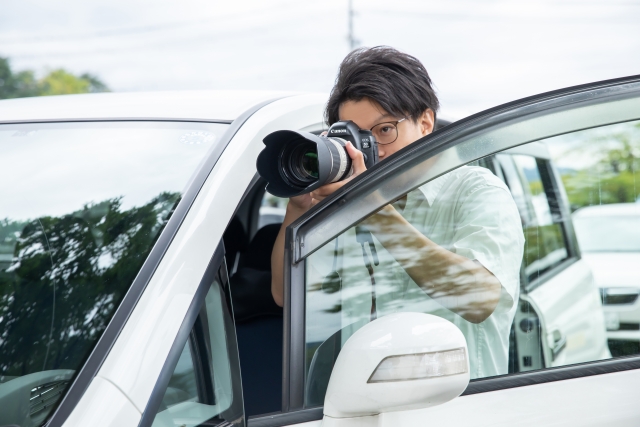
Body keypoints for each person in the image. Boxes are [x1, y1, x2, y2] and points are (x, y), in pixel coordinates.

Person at [271, 46, 524, 378]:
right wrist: (298, 208)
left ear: (425, 123)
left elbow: (478, 299)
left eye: (384, 130)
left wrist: (372, 208)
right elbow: (285, 296)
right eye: (356, 136)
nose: (371, 149)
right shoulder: (343, 205)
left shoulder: (477, 190)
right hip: (363, 404)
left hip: (458, 407)